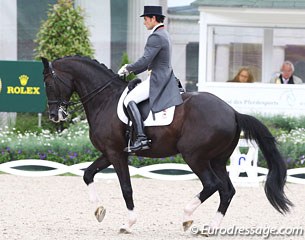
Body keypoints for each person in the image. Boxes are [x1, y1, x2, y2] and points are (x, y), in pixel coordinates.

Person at [118, 6, 183, 152]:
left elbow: (145, 60)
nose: (144, 23)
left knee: (129, 100)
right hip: (164, 76)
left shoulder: (156, 37)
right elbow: (149, 63)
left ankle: (141, 138)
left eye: (146, 19)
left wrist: (128, 68)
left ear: (153, 19)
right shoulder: (164, 33)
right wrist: (131, 71)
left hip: (158, 80)